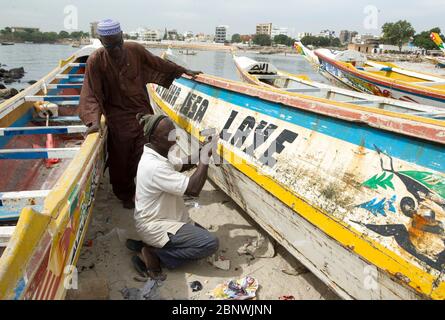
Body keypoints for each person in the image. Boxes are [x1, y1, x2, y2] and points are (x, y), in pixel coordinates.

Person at [79, 19, 201, 209]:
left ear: (122, 36)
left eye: (118, 43)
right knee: (121, 158)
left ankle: (151, 187)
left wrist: (183, 71)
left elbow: (158, 64)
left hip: (142, 111)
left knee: (148, 152)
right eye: (111, 46)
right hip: (117, 117)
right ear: (102, 42)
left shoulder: (135, 50)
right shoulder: (95, 61)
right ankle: (126, 194)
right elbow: (90, 93)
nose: (117, 50)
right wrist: (93, 122)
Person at [127, 113, 219, 277]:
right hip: (155, 225)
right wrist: (205, 156)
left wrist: (201, 149)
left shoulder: (158, 153)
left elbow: (182, 164)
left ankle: (153, 245)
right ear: (153, 138)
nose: (174, 138)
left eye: (174, 133)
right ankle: (157, 255)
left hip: (164, 219)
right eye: (167, 135)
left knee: (203, 235)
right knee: (209, 244)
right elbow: (193, 189)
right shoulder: (154, 166)